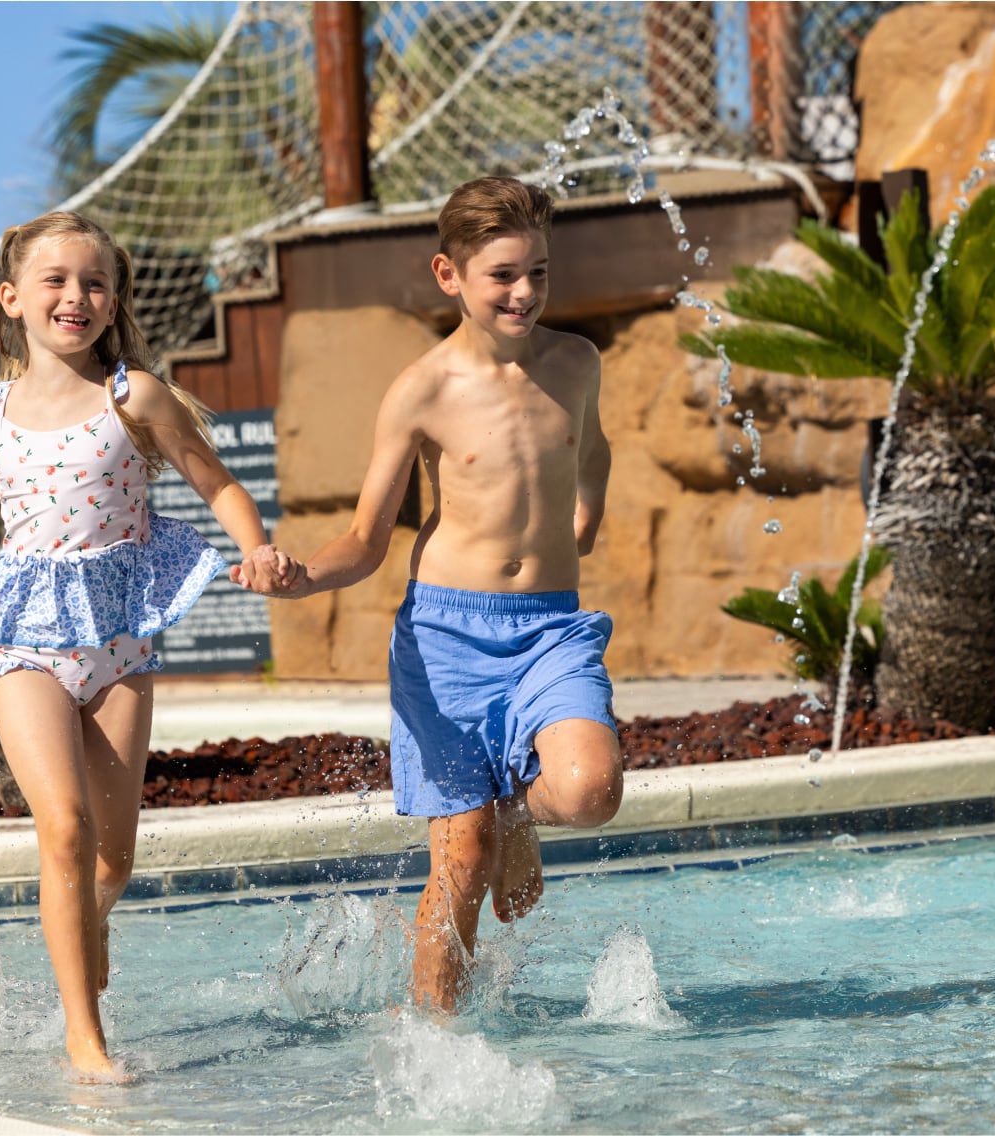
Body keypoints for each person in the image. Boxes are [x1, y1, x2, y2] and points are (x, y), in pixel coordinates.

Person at [0, 211, 301, 1080]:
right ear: (12, 300)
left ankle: (90, 917)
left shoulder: (132, 398)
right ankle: (86, 1037)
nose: (76, 296)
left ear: (113, 302)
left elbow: (213, 480)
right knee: (63, 829)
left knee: (114, 857)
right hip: (27, 638)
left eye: (94, 282)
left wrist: (254, 545)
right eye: (57, 281)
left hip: (119, 640)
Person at [261, 176, 622, 1011]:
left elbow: (592, 449)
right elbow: (366, 536)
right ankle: (435, 1038)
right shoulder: (420, 390)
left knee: (591, 790)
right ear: (449, 275)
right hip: (448, 639)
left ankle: (520, 812)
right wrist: (304, 576)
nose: (525, 290)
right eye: (502, 274)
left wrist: (587, 514)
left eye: (538, 270)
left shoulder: (576, 362)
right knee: (460, 863)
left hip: (549, 629)